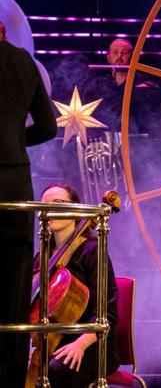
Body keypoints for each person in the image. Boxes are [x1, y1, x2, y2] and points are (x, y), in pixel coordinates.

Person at [0, 27, 58, 387]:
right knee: (15, 285)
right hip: (15, 182)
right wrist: (11, 141)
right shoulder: (23, 60)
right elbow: (49, 127)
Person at [34, 183, 120, 387]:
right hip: (53, 340)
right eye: (44, 205)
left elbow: (107, 312)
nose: (50, 209)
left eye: (58, 203)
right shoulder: (42, 258)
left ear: (75, 211)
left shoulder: (92, 251)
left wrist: (80, 344)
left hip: (93, 342)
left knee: (57, 371)